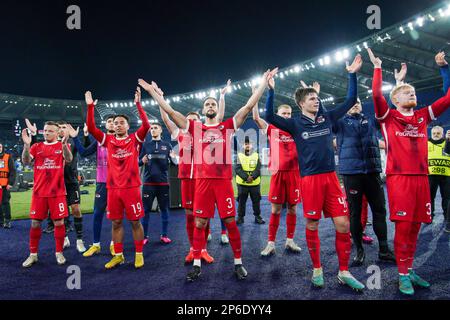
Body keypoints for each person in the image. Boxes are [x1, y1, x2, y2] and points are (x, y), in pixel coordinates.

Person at [139, 67, 277, 281]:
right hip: (202, 183)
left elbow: (249, 106)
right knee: (199, 223)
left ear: (217, 109)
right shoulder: (194, 127)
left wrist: (263, 84)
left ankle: (238, 263)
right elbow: (171, 112)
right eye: (207, 104)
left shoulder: (227, 126)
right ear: (203, 110)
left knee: (230, 221)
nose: (210, 106)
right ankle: (196, 264)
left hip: (223, 183)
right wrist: (153, 94)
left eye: (213, 103)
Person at [265, 55, 365, 291]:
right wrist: (271, 90)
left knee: (343, 225)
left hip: (332, 178)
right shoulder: (295, 124)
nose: (316, 101)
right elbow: (269, 117)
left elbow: (351, 99)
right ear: (301, 103)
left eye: (317, 98)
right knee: (312, 225)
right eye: (312, 98)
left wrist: (352, 74)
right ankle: (317, 269)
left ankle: (343, 272)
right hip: (309, 180)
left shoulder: (327, 117)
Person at [368, 48, 450, 295]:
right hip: (399, 179)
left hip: (421, 179)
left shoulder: (423, 116)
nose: (412, 93)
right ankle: (402, 274)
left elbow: (448, 98)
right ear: (395, 99)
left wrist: (444, 68)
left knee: (415, 227)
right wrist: (377, 67)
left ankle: (410, 268)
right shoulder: (388, 117)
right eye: (406, 92)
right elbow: (375, 93)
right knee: (403, 227)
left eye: (413, 91)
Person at [158, 82, 231, 263]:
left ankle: (203, 249)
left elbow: (220, 117)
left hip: (202, 178)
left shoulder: (203, 134)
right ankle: (193, 249)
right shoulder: (180, 135)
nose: (190, 121)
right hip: (186, 179)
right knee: (190, 216)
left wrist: (222, 97)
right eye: (187, 119)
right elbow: (168, 119)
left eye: (193, 119)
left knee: (203, 216)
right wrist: (160, 100)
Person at [86, 87, 150, 269]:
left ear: (128, 126)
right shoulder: (108, 140)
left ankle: (138, 254)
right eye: (116, 123)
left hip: (131, 188)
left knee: (135, 222)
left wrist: (138, 104)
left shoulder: (135, 139)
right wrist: (90, 107)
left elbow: (145, 125)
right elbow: (91, 128)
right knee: (116, 222)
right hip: (112, 188)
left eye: (122, 122)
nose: (118, 125)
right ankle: (119, 255)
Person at [333, 97, 395, 266]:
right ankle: (359, 250)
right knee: (354, 213)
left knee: (380, 210)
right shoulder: (339, 123)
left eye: (358, 103)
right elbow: (324, 117)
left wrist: (397, 86)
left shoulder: (371, 121)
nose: (355, 105)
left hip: (372, 171)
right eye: (351, 103)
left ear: (361, 106)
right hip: (352, 173)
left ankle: (383, 249)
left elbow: (385, 110)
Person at [253, 99, 302, 256]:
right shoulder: (271, 128)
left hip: (294, 173)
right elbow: (255, 118)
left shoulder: (296, 129)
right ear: (277, 115)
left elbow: (311, 117)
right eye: (283, 114)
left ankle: (290, 240)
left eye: (289, 114)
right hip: (277, 173)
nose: (287, 116)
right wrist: (255, 97)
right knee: (275, 210)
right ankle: (271, 243)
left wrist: (313, 95)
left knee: (293, 209)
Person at [21, 122, 73, 267]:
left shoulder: (62, 145)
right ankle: (33, 254)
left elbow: (69, 160)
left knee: (59, 223)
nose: (47, 133)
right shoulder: (36, 146)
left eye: (50, 131)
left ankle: (59, 252)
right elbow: (26, 161)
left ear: (57, 133)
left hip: (57, 192)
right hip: (39, 192)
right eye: (45, 131)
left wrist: (63, 145)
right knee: (35, 223)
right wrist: (26, 145)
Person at [69, 120, 116, 257]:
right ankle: (96, 245)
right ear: (106, 125)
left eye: (114, 122)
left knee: (115, 217)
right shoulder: (99, 141)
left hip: (117, 184)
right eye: (109, 122)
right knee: (97, 214)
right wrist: (75, 137)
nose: (112, 124)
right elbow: (83, 153)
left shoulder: (121, 140)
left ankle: (114, 244)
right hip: (102, 183)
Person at [139, 122, 175, 244]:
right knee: (145, 210)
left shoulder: (167, 145)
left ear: (160, 130)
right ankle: (144, 237)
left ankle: (164, 235)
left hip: (163, 183)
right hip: (148, 183)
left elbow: (175, 162)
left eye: (155, 128)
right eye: (152, 128)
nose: (153, 130)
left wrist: (174, 157)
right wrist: (141, 161)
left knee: (164, 209)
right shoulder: (146, 145)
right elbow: (138, 162)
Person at [235, 137, 264, 225]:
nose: (247, 145)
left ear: (252, 145)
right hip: (242, 183)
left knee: (256, 201)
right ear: (243, 145)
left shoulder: (256, 155)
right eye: (246, 143)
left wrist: (252, 177)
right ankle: (240, 217)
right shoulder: (239, 155)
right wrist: (246, 177)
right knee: (241, 201)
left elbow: (258, 168)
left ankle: (257, 216)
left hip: (254, 183)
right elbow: (237, 169)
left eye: (249, 143)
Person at [428, 126, 450, 221]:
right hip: (430, 175)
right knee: (429, 197)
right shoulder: (425, 143)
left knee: (447, 197)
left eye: (438, 133)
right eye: (434, 133)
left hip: (447, 175)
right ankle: (429, 216)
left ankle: (447, 217)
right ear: (431, 134)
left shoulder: (448, 143)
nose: (436, 135)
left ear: (442, 134)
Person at [0, 143, 16, 229]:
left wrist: (10, 183)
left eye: (0, 147)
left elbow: (13, 171)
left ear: (2, 148)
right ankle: (1, 221)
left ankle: (7, 221)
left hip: (5, 185)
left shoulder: (8, 157)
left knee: (5, 203)